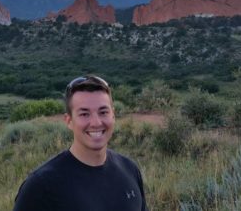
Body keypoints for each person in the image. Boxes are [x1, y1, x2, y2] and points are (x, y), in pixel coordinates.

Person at [13, 75, 148, 211]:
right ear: (69, 121)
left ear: (113, 115)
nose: (96, 123)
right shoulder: (42, 186)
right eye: (84, 114)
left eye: (103, 112)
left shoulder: (130, 170)